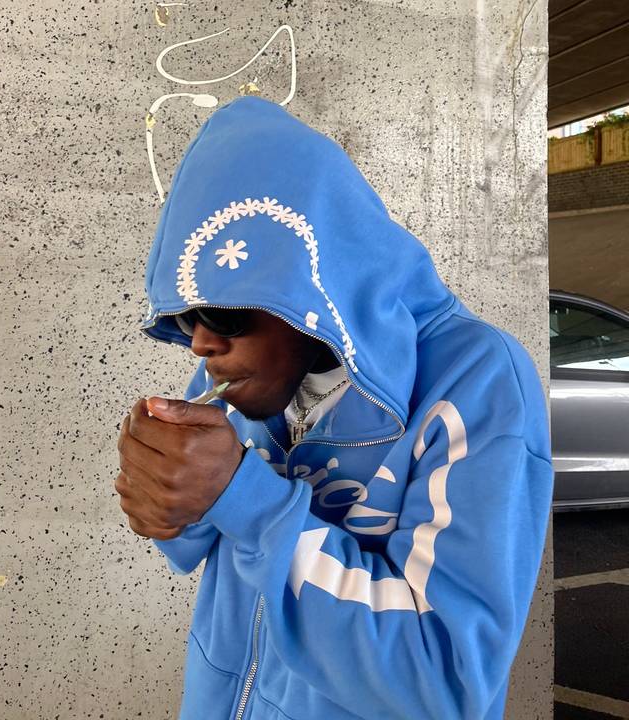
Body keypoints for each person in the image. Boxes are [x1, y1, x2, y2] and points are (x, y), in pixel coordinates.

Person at [115, 96, 554, 719]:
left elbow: (445, 683)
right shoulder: (247, 368)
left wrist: (246, 499)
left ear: (310, 285)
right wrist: (163, 489)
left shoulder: (474, 381)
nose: (201, 342)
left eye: (224, 311)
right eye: (187, 316)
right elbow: (192, 543)